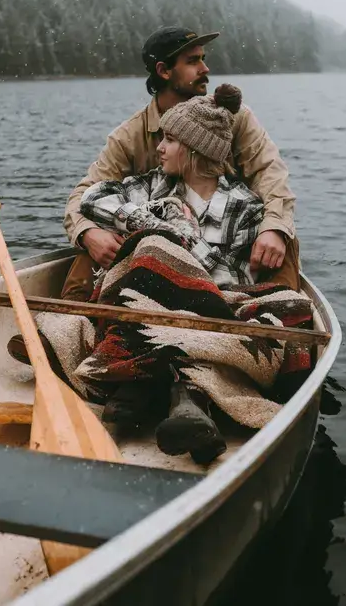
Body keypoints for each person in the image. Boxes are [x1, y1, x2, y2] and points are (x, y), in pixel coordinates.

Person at [72, 84, 286, 463]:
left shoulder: (244, 208)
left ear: (195, 149)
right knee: (150, 250)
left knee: (164, 254)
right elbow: (92, 198)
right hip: (148, 302)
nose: (159, 147)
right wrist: (143, 219)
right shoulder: (152, 187)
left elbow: (227, 280)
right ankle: (168, 391)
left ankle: (160, 391)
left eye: (170, 140)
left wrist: (176, 240)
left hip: (203, 309)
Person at [62, 26, 300, 302]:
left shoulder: (236, 118)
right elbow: (83, 195)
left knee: (283, 235)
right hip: (154, 245)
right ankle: (71, 321)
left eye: (202, 58)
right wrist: (89, 234)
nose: (206, 68)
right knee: (97, 234)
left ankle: (282, 330)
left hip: (231, 237)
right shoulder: (129, 136)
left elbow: (271, 175)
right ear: (164, 71)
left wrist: (273, 229)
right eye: (193, 61)